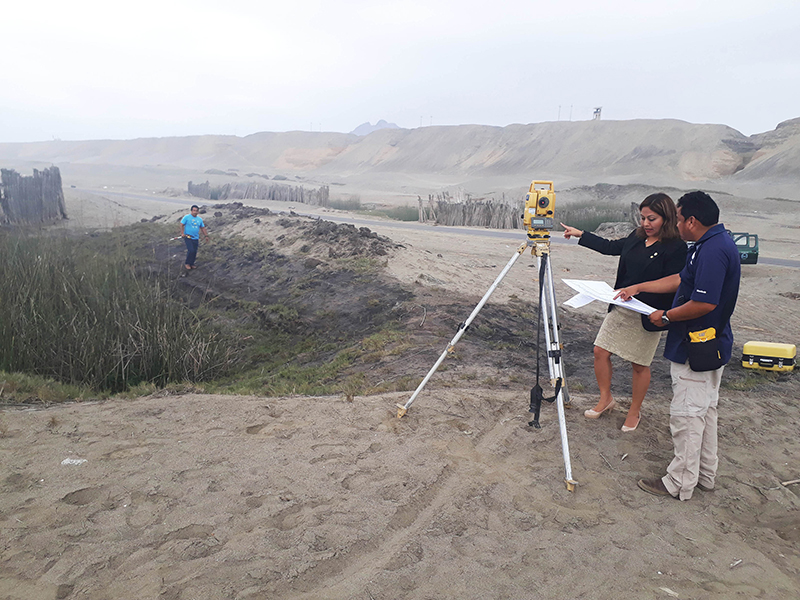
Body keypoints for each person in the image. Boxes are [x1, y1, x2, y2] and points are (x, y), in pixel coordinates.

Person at [615, 191, 741, 500]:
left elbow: (703, 302)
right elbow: (681, 281)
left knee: (686, 415)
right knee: (705, 412)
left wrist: (667, 316)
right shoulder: (710, 245)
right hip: (710, 344)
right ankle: (705, 474)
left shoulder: (712, 251)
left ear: (692, 221)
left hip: (696, 346)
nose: (678, 224)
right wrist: (640, 287)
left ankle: (679, 482)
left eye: (680, 219)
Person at [561, 193, 687, 431]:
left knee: (639, 364)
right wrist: (581, 234)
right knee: (600, 351)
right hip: (621, 306)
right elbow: (610, 247)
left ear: (666, 218)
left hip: (648, 313)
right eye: (642, 218)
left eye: (652, 218)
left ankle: (634, 411)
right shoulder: (637, 236)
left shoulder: (676, 247)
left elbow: (674, 281)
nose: (646, 224)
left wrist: (639, 289)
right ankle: (605, 399)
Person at [180, 205, 210, 270]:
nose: (195, 212)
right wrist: (182, 233)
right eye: (194, 210)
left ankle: (192, 263)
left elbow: (202, 228)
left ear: (198, 212)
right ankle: (187, 263)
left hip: (196, 237)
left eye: (196, 211)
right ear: (191, 211)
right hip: (188, 237)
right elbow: (182, 225)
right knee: (191, 250)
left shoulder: (199, 219)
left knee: (194, 251)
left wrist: (206, 236)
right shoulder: (186, 217)